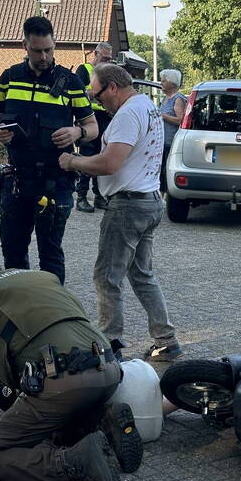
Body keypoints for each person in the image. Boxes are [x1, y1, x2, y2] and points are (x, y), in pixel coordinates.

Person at [0, 252, 143, 481]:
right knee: (45, 429)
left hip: (66, 384)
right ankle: (103, 421)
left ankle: (75, 462)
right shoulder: (40, 277)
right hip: (109, 371)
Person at [59, 64, 182, 363]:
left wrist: (72, 161)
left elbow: (110, 163)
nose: (97, 100)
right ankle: (166, 340)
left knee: (106, 276)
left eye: (97, 93)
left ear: (113, 87)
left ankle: (109, 343)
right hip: (150, 201)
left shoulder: (128, 114)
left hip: (128, 206)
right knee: (142, 275)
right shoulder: (148, 106)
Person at [0, 16, 97, 284]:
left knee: (50, 253)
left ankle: (52, 316)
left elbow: (92, 127)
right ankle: (19, 311)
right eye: (37, 50)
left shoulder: (70, 82)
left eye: (49, 49)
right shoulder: (9, 78)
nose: (45, 56)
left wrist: (76, 132)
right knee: (13, 253)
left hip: (55, 181)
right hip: (17, 180)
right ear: (25, 45)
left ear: (54, 44)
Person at [74, 42, 116, 213]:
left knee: (102, 156)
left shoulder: (108, 73)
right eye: (104, 58)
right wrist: (92, 93)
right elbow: (77, 91)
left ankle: (99, 196)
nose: (106, 61)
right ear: (96, 54)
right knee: (87, 156)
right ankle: (81, 197)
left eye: (109, 59)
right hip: (88, 118)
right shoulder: (84, 70)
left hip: (106, 118)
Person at [157, 69, 188, 193]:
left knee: (166, 170)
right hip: (161, 141)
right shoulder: (164, 98)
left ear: (172, 83)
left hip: (171, 142)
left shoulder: (178, 99)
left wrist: (163, 116)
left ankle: (165, 195)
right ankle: (160, 193)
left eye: (164, 81)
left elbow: (180, 120)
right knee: (160, 169)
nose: (161, 83)